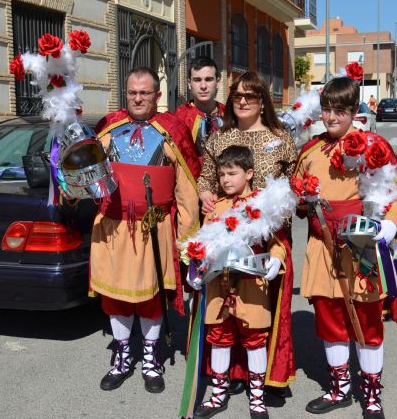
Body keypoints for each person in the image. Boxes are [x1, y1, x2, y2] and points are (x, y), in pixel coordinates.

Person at [293, 75, 397, 418]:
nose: (331, 117)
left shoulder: (372, 146)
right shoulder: (310, 150)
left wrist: (389, 225)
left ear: (353, 110)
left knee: (368, 319)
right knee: (330, 319)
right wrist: (303, 200)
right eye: (327, 110)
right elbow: (300, 205)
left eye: (340, 111)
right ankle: (340, 388)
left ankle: (372, 392)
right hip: (322, 248)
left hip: (361, 248)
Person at [90, 66, 201, 393]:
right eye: (133, 92)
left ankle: (151, 359)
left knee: (152, 299)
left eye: (145, 92)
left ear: (157, 95)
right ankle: (122, 357)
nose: (138, 98)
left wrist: (186, 241)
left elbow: (187, 192)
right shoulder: (109, 129)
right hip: (112, 226)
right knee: (116, 298)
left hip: (155, 225)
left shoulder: (171, 131)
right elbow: (88, 177)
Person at [197, 71, 298, 399]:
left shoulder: (280, 136)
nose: (242, 102)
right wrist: (204, 196)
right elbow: (205, 179)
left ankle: (266, 376)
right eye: (237, 96)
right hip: (225, 233)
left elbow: (294, 184)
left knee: (260, 308)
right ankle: (231, 374)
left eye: (250, 96)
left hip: (269, 237)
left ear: (262, 101)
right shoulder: (219, 137)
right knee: (226, 306)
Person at [194, 145, 286, 419]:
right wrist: (196, 264)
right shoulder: (215, 207)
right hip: (218, 285)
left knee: (255, 338)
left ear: (249, 173)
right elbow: (203, 242)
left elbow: (276, 240)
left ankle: (257, 398)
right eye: (221, 174)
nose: (225, 180)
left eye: (231, 173)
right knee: (219, 337)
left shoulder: (260, 204)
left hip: (251, 285)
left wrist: (277, 259)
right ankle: (218, 394)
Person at [174, 57, 225, 155]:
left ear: (217, 82)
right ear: (189, 84)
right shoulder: (179, 118)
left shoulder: (229, 114)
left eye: (208, 79)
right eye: (197, 80)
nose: (203, 86)